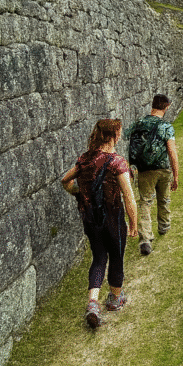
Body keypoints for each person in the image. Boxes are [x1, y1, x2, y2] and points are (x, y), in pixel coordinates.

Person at [62, 118, 138, 328]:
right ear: (113, 136)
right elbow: (129, 197)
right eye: (119, 132)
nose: (121, 135)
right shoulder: (117, 162)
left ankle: (93, 303)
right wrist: (133, 223)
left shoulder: (85, 159)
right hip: (113, 218)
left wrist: (79, 193)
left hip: (90, 218)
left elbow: (65, 181)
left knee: (98, 258)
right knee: (116, 256)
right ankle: (115, 300)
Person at [125, 94, 179, 256]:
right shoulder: (166, 126)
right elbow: (172, 151)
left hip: (144, 169)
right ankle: (164, 226)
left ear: (153, 106)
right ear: (166, 107)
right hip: (162, 168)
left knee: (145, 202)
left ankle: (145, 239)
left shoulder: (138, 123)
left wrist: (132, 168)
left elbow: (129, 138)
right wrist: (176, 175)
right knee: (164, 198)